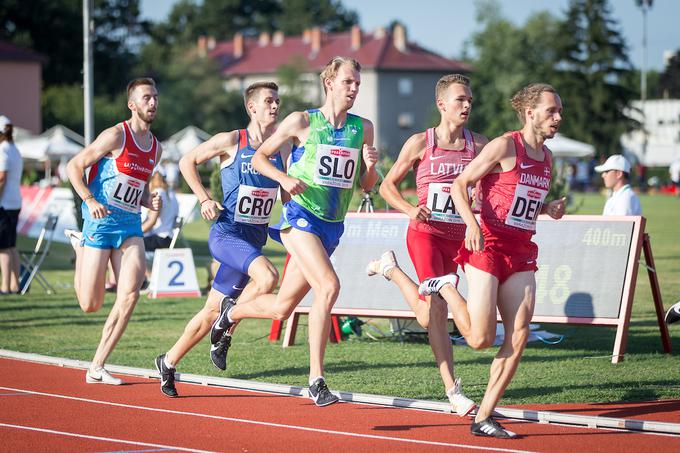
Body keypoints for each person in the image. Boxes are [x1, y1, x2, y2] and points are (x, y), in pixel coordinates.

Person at [210, 56, 379, 407]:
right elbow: (259, 158)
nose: (354, 89)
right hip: (299, 220)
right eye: (348, 82)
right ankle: (316, 380)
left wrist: (372, 168)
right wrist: (285, 178)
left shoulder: (363, 127)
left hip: (332, 227)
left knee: (282, 308)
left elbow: (365, 186)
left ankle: (231, 313)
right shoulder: (303, 121)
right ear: (329, 83)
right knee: (329, 286)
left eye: (358, 84)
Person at [418, 83, 567, 438]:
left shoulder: (547, 158)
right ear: (530, 113)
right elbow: (460, 184)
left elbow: (521, 203)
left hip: (520, 251)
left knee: (520, 331)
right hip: (486, 246)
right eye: (552, 111)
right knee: (480, 339)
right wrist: (471, 223)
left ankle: (484, 415)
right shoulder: (504, 145)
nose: (558, 118)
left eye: (560, 112)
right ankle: (447, 288)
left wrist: (548, 208)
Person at [153, 81, 287, 398]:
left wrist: (292, 228)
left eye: (278, 101)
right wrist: (203, 199)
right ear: (251, 107)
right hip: (227, 234)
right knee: (267, 277)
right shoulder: (232, 140)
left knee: (211, 310)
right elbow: (187, 162)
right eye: (269, 101)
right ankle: (227, 327)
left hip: (253, 240)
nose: (275, 106)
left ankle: (167, 361)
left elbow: (284, 194)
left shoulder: (280, 148)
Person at [366, 74, 485, 416]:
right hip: (426, 234)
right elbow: (387, 186)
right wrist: (409, 209)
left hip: (460, 239)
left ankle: (390, 269)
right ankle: (454, 391)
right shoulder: (422, 142)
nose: (467, 105)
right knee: (438, 309)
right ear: (441, 104)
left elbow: (499, 185)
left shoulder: (479, 144)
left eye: (470, 100)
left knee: (425, 314)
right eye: (460, 99)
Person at [65, 77, 162, 385]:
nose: (153, 102)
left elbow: (138, 187)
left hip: (130, 225)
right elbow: (74, 166)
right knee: (90, 304)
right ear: (132, 104)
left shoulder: (156, 148)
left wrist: (149, 199)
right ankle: (81, 247)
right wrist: (89, 199)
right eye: (146, 97)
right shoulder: (116, 135)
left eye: (155, 97)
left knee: (131, 293)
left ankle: (97, 365)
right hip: (99, 222)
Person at [0, 115, 23, 294]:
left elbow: (1, 179)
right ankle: (15, 285)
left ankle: (5, 286)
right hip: (15, 201)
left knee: (3, 248)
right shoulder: (15, 149)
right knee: (12, 246)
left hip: (5, 204)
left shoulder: (3, 150)